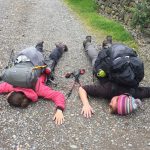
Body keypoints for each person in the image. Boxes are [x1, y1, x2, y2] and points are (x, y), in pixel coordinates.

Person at [79, 36, 150, 118]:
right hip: (104, 68)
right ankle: (87, 43)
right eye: (112, 105)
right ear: (119, 98)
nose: (109, 103)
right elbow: (82, 89)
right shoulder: (108, 91)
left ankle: (107, 44)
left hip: (115, 60)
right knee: (95, 57)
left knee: (111, 54)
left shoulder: (134, 93)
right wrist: (86, 104)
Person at [0, 42, 68, 125]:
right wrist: (60, 109)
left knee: (52, 59)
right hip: (27, 57)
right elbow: (1, 87)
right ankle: (39, 46)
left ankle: (60, 48)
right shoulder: (13, 84)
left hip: (38, 64)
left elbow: (57, 95)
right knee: (37, 56)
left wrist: (59, 109)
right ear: (15, 92)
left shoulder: (38, 90)